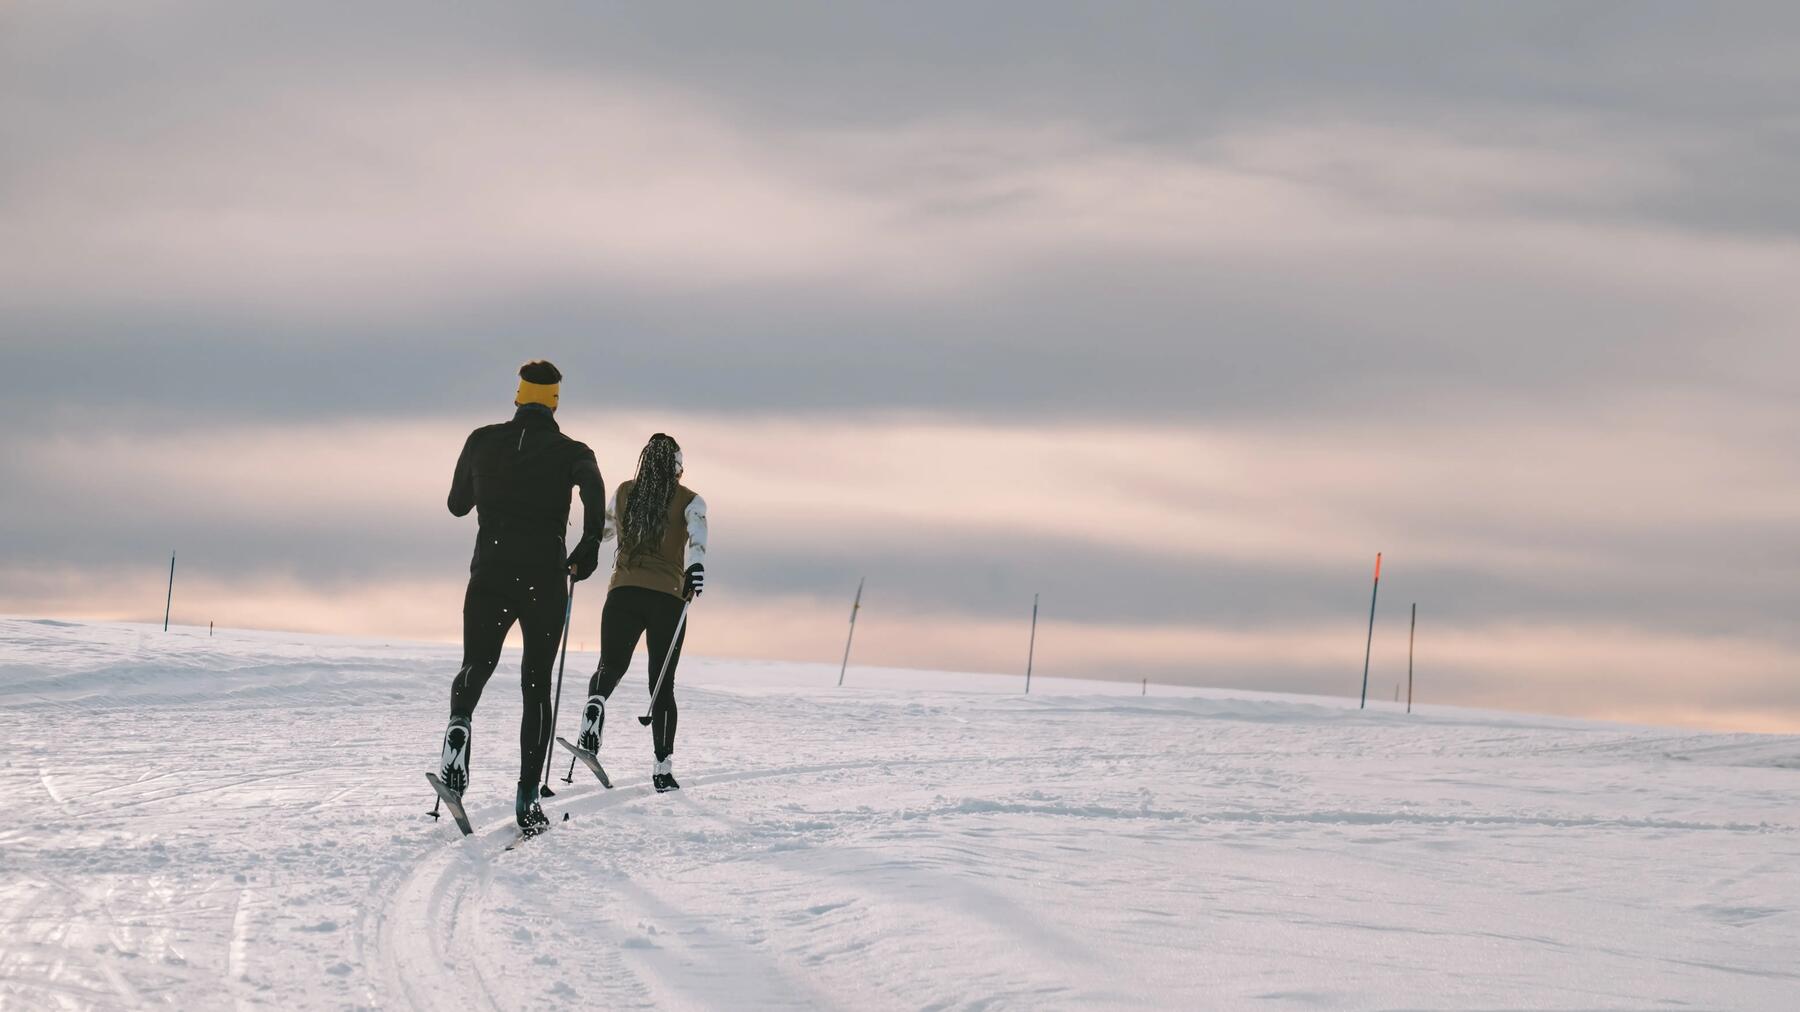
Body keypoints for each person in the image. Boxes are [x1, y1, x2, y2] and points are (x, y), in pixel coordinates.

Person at [439, 360, 605, 833]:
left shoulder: (481, 439)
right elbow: (594, 490)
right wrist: (589, 543)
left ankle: (459, 724)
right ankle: (528, 796)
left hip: (489, 572)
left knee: (477, 664)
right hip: (543, 578)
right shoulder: (572, 450)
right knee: (536, 682)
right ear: (554, 400)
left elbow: (456, 505)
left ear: (518, 396)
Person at [577, 433, 706, 792]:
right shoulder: (691, 501)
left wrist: (575, 552)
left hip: (623, 594)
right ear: (677, 466)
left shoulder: (623, 492)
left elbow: (601, 534)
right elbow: (697, 538)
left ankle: (595, 705)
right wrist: (695, 568)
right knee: (661, 685)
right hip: (668, 598)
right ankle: (662, 769)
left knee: (610, 666)